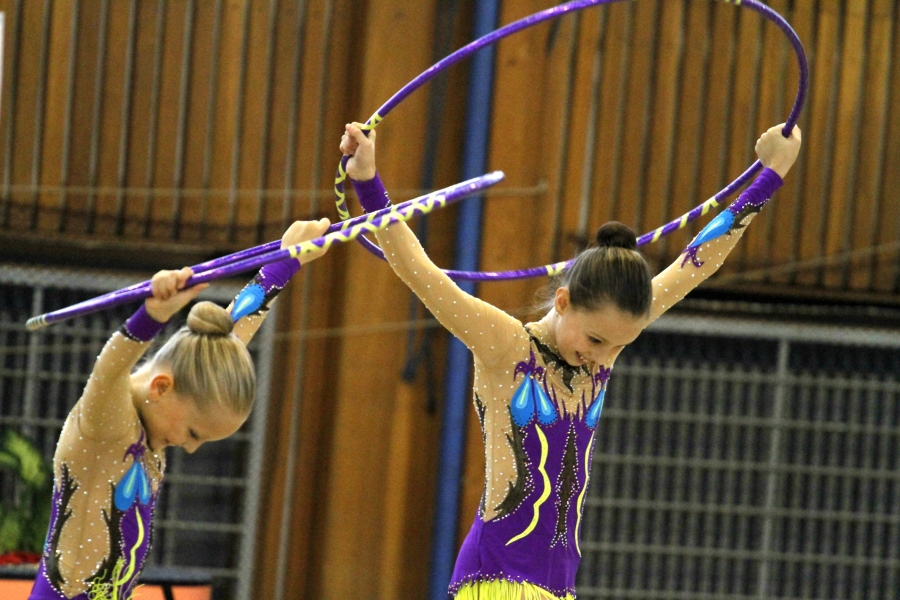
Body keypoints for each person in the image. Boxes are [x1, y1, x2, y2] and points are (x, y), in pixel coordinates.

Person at [340, 122, 801, 599]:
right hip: (497, 578)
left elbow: (698, 262)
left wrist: (772, 173)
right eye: (597, 339)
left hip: (558, 587)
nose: (602, 357)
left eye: (618, 346)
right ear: (562, 302)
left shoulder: (603, 351)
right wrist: (368, 181)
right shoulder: (506, 346)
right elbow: (420, 273)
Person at [28, 219, 330, 600]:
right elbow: (108, 371)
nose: (190, 447)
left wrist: (288, 260)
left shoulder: (155, 416)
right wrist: (151, 317)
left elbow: (229, 338)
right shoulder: (107, 427)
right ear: (161, 387)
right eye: (193, 433)